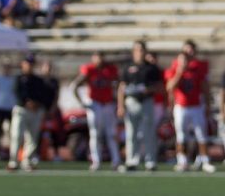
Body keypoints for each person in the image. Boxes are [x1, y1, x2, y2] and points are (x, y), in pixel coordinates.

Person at [167, 40, 214, 173]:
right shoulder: (176, 67)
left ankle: (205, 161)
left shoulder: (198, 67)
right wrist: (179, 72)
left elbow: (205, 87)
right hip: (181, 106)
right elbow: (170, 87)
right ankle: (182, 161)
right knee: (181, 135)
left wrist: (208, 105)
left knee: (201, 134)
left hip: (196, 106)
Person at [118, 40, 164, 171]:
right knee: (131, 133)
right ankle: (132, 160)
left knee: (148, 132)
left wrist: (148, 89)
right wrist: (120, 105)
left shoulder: (151, 68)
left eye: (142, 50)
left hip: (146, 101)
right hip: (131, 101)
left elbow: (160, 86)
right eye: (137, 50)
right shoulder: (127, 67)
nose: (140, 53)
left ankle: (150, 161)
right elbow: (122, 87)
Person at [72, 51, 121, 171]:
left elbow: (118, 83)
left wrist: (117, 100)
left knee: (112, 133)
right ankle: (96, 161)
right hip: (95, 104)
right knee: (95, 134)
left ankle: (116, 160)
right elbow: (75, 85)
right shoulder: (89, 69)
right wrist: (83, 103)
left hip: (108, 104)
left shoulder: (110, 69)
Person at [8, 53, 49, 172]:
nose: (29, 66)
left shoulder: (38, 80)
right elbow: (17, 93)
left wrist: (36, 104)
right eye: (27, 63)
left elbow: (42, 95)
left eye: (31, 64)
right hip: (21, 110)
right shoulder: (18, 78)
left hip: (35, 111)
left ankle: (27, 161)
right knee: (16, 136)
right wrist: (26, 102)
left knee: (32, 138)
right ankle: (13, 161)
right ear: (23, 64)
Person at [0, 60, 17, 164]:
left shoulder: (14, 79)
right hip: (0, 107)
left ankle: (12, 154)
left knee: (12, 132)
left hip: (11, 108)